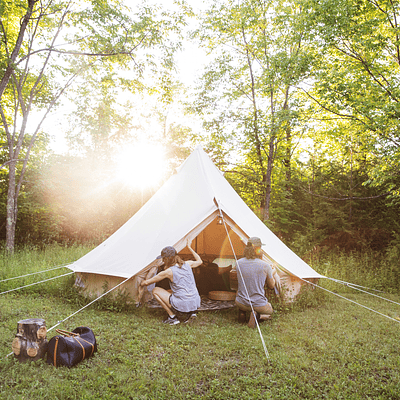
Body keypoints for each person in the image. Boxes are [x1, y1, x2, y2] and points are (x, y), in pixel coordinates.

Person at [140, 239, 202, 325]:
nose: (162, 261)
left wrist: (140, 282)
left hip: (183, 304)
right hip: (194, 303)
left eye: (163, 259)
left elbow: (147, 283)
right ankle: (191, 313)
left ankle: (172, 317)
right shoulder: (188, 264)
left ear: (167, 259)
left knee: (156, 290)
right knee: (173, 291)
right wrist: (190, 247)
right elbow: (200, 261)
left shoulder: (168, 271)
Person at [235, 236, 277, 328]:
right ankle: (257, 315)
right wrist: (273, 272)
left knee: (240, 295)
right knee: (270, 310)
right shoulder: (265, 266)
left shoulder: (238, 263)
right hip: (259, 305)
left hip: (240, 302)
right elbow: (271, 285)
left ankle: (242, 312)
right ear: (258, 249)